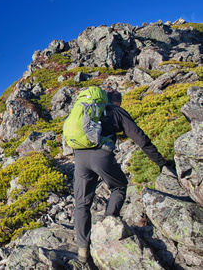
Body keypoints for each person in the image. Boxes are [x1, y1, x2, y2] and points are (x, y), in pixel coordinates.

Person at [73, 89, 171, 263]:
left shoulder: (88, 112)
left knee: (81, 204)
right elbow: (140, 139)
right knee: (119, 186)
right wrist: (162, 163)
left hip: (79, 155)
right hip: (101, 156)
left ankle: (83, 252)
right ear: (117, 101)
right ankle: (109, 225)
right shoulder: (117, 111)